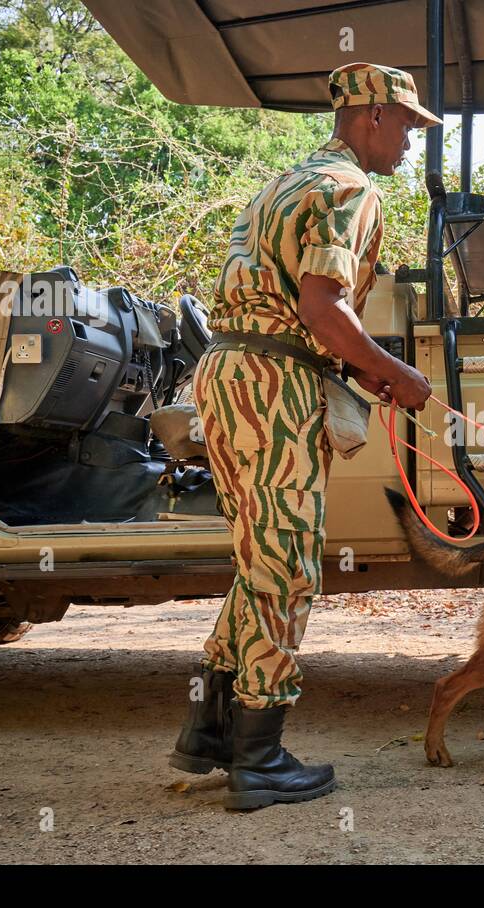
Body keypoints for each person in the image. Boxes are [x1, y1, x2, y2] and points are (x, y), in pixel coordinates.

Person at [170, 63, 436, 809]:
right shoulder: (352, 189)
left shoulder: (286, 181)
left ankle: (211, 730)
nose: (411, 143)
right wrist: (399, 375)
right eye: (408, 126)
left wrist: (361, 369)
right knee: (286, 566)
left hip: (228, 372)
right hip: (272, 382)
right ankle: (260, 759)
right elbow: (325, 310)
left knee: (261, 554)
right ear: (371, 116)